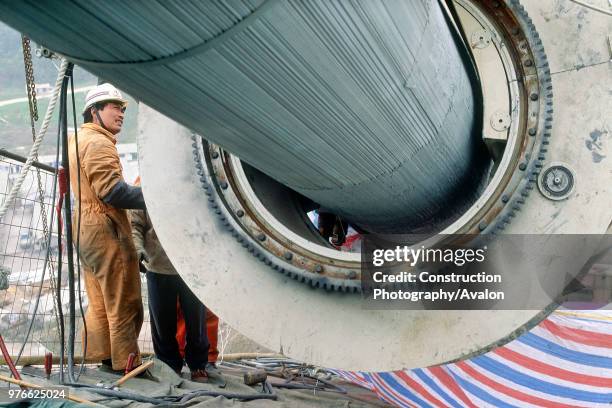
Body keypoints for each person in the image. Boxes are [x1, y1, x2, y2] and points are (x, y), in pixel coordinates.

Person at [68, 83, 146, 372]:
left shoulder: (77, 138)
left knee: (100, 302)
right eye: (114, 107)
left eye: (123, 108)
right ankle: (126, 367)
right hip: (105, 227)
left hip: (84, 228)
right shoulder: (99, 143)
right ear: (94, 111)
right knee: (123, 302)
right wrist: (155, 197)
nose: (121, 113)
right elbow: (113, 192)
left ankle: (103, 360)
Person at [130, 178, 210, 382]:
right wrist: (138, 249)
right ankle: (169, 366)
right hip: (158, 264)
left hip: (192, 266)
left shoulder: (192, 179)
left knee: (197, 321)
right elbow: (135, 224)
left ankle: (198, 365)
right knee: (162, 323)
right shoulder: (144, 183)